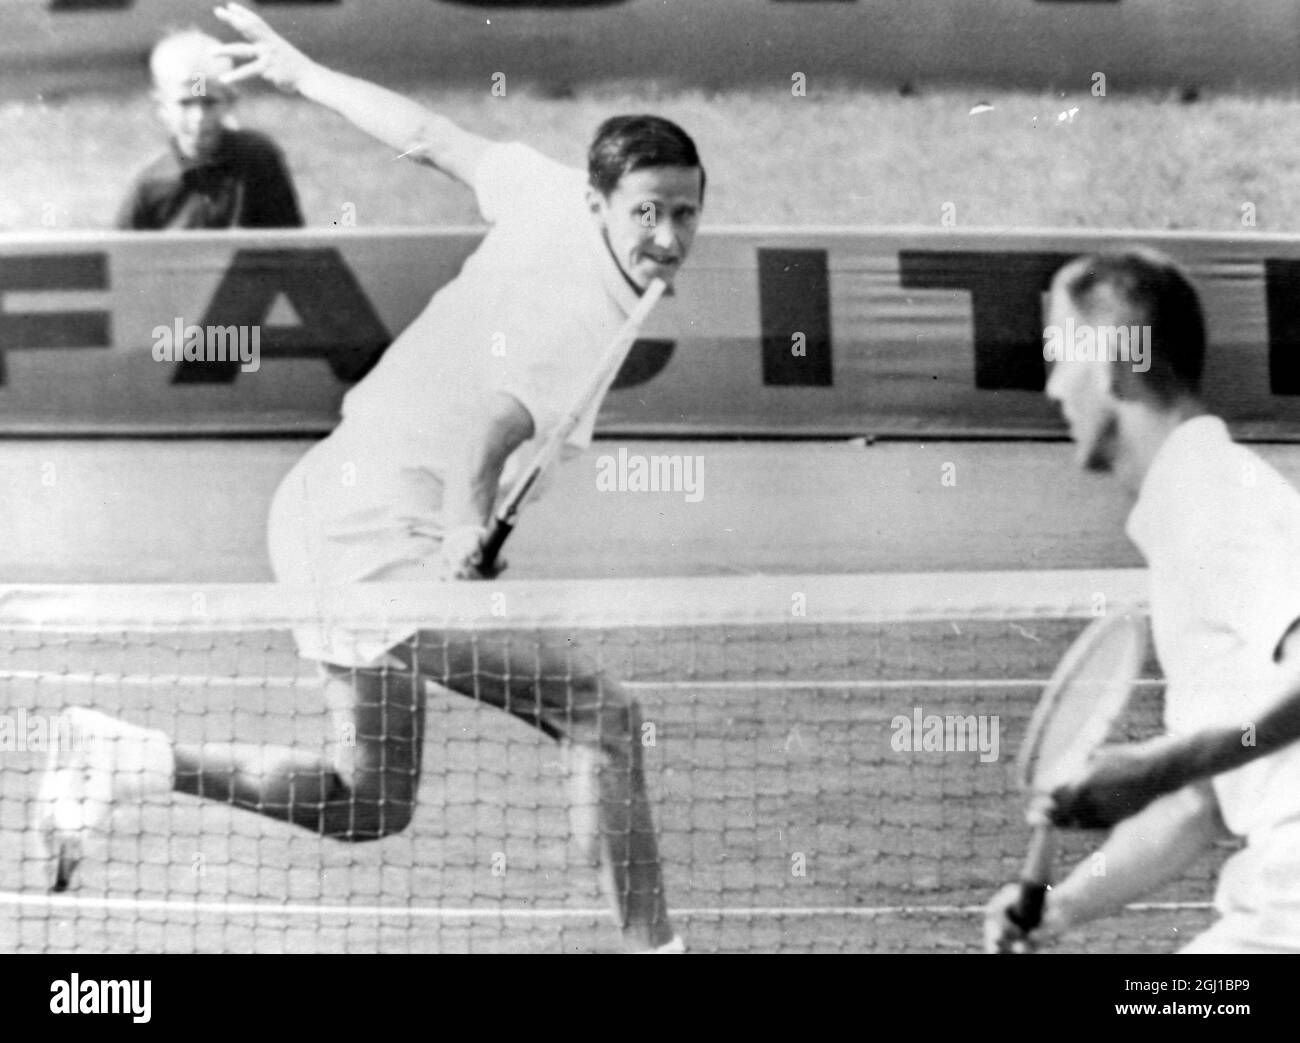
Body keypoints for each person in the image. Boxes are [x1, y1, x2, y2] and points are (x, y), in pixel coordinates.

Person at [40, 1, 703, 954]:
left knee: (369, 800)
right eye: (650, 213)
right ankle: (657, 951)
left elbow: (429, 136)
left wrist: (302, 75)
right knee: (600, 712)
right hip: (375, 537)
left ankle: (127, 757)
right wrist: (467, 538)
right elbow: (491, 427)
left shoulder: (547, 189)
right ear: (602, 204)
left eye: (686, 212)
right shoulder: (583, 314)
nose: (670, 238)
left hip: (324, 506)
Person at [985, 247, 1300, 954]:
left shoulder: (1211, 497)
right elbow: (1201, 801)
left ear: (1115, 364)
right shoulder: (1195, 498)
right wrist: (1063, 906)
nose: (1054, 389)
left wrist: (1154, 763)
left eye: (1063, 357)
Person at [116, 28, 302, 230]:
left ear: (230, 101)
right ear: (162, 107)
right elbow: (120, 255)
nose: (199, 118)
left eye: (210, 103)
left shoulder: (257, 160)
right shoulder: (150, 186)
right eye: (185, 103)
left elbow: (290, 245)